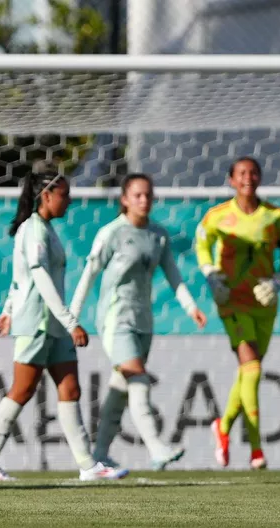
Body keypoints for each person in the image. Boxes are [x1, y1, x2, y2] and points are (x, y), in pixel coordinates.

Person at [0, 167, 128, 482]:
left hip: (53, 325)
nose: (69, 201)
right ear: (46, 195)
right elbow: (38, 279)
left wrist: (6, 309)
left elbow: (20, 280)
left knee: (70, 388)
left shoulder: (46, 229)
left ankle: (88, 466)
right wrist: (72, 322)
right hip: (39, 324)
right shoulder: (33, 229)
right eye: (64, 194)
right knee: (22, 389)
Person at [69, 173, 206, 470]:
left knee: (121, 387)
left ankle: (100, 453)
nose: (144, 201)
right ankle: (156, 448)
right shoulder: (112, 233)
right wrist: (72, 318)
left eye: (148, 195)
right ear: (124, 199)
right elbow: (89, 275)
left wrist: (190, 307)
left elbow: (172, 273)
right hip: (115, 318)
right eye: (137, 195)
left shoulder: (158, 235)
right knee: (137, 376)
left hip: (144, 320)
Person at [196, 157, 280, 470]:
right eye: (241, 173)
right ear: (231, 180)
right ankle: (256, 450)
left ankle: (222, 427)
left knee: (248, 371)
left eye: (253, 172)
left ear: (260, 178)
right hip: (232, 301)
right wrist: (211, 272)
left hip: (264, 304)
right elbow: (202, 245)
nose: (248, 178)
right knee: (251, 369)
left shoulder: (276, 217)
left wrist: (279, 279)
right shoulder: (217, 216)